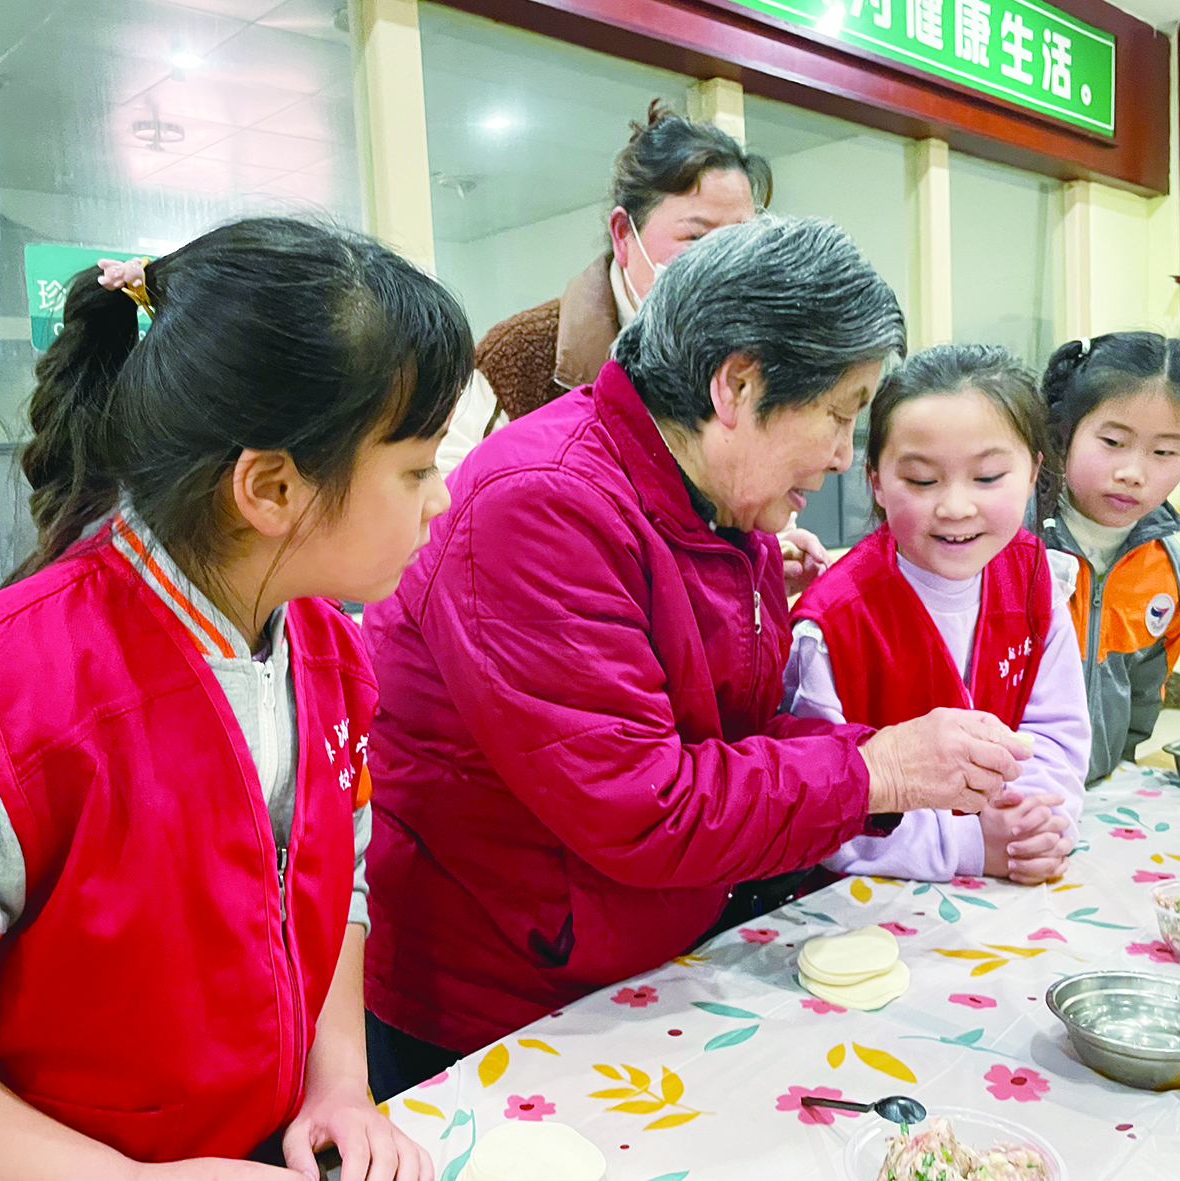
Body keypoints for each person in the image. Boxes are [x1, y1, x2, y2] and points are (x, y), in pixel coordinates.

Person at [0, 219, 471, 1180]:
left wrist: (338, 1080)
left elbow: (340, 873)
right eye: (416, 468)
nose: (440, 499)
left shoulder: (330, 653)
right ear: (271, 488)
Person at [360, 217, 1033, 1097]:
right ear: (737, 385)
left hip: (645, 953)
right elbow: (642, 804)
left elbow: (729, 736)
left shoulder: (715, 500)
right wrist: (878, 771)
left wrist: (885, 761)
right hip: (507, 998)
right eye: (838, 414)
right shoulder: (542, 504)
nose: (841, 455)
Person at [786, 345, 1090, 886]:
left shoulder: (1038, 584)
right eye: (923, 481)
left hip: (1004, 885)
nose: (954, 507)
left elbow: (1056, 738)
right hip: (867, 902)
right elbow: (819, 807)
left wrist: (1030, 827)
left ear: (1032, 472)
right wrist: (970, 845)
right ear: (876, 481)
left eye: (988, 477)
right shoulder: (832, 626)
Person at [436, 100, 768, 475]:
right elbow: (447, 496)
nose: (724, 260)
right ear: (623, 235)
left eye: (740, 240)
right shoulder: (519, 357)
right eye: (697, 237)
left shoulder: (755, 352)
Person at [1037, 333, 1180, 782]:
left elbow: (1142, 701)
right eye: (1113, 441)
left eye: (1164, 452)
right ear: (1065, 432)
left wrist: (1115, 773)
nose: (1132, 473)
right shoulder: (1007, 545)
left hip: (1094, 795)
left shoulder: (1166, 574)